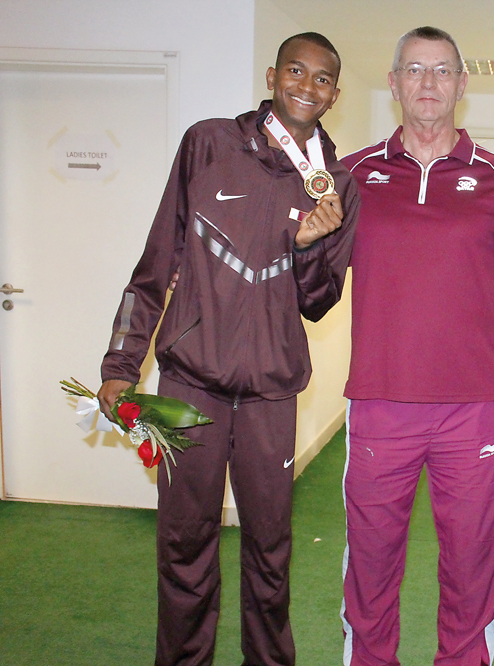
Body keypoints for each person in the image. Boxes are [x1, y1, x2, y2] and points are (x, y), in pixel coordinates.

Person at [97, 32, 358, 666]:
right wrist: (120, 365)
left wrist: (311, 245)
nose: (306, 85)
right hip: (191, 386)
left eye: (323, 79)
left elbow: (318, 301)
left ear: (335, 95)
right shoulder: (208, 143)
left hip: (272, 392)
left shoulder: (336, 184)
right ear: (273, 74)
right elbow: (156, 264)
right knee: (185, 543)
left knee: (271, 548)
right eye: (296, 70)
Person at [339, 26, 494, 666]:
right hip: (378, 404)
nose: (429, 83)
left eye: (442, 70)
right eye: (415, 70)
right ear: (393, 83)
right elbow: (305, 270)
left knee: (473, 565)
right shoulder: (352, 175)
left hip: (472, 410)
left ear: (462, 84)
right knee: (369, 567)